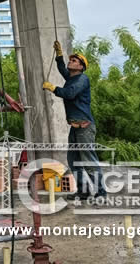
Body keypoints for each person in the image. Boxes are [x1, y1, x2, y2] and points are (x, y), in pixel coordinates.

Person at [42, 40, 106, 200]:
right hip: (75, 127)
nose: (71, 61)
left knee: (88, 161)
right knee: (73, 160)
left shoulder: (82, 80)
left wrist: (53, 88)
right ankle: (83, 191)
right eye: (71, 59)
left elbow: (69, 93)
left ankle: (101, 193)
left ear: (81, 67)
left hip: (85, 127)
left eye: (74, 60)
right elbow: (62, 69)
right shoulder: (72, 77)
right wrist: (59, 54)